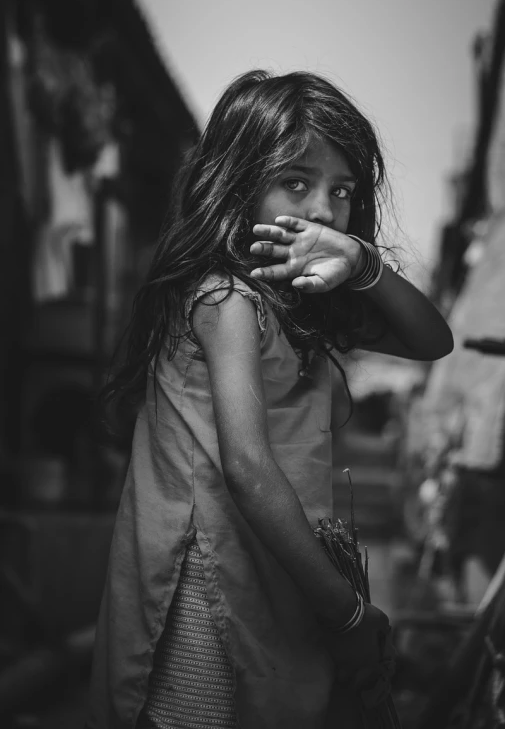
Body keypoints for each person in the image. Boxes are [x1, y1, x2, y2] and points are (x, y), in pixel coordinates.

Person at [85, 70, 453, 729]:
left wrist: (363, 264)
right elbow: (248, 471)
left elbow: (431, 340)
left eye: (341, 192)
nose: (321, 211)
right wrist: (344, 611)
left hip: (276, 568)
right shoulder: (226, 300)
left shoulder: (304, 306)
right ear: (240, 184)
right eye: (296, 182)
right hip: (209, 582)